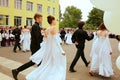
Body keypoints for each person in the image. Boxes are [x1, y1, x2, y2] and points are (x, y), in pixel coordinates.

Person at [26, 15, 66, 80]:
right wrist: (61, 50)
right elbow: (56, 40)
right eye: (55, 20)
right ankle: (52, 76)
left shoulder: (47, 29)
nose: (55, 21)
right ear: (52, 21)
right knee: (56, 63)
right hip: (54, 48)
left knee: (49, 63)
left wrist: (44, 48)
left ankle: (45, 75)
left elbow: (44, 40)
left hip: (49, 49)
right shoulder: (54, 28)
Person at [12, 13, 43, 80]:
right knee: (34, 62)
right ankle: (16, 71)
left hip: (35, 46)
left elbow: (37, 37)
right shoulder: (35, 26)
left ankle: (16, 71)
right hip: (35, 47)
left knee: (39, 62)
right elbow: (38, 38)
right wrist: (44, 38)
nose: (41, 19)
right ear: (37, 18)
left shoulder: (36, 26)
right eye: (41, 18)